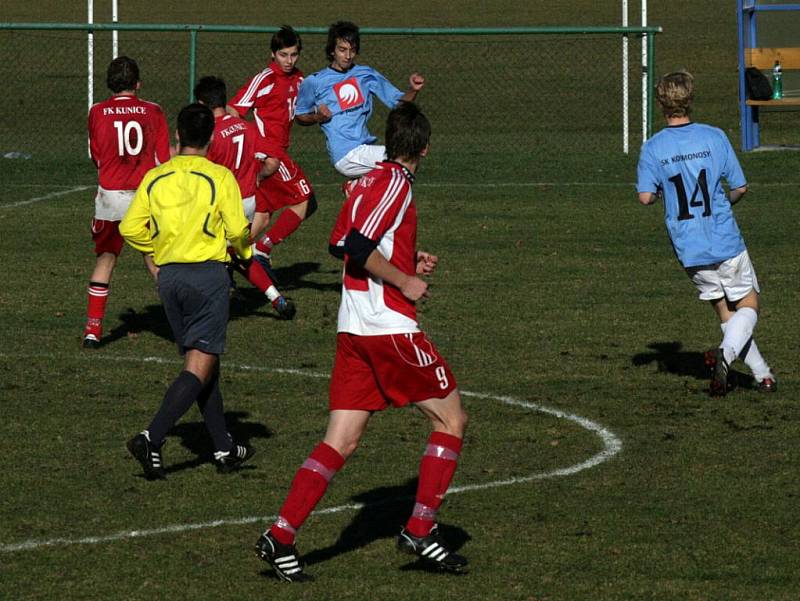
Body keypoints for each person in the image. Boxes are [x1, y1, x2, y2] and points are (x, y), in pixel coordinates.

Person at [255, 102, 468, 582]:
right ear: (426, 148)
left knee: (342, 439)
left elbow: (340, 241)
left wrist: (409, 261)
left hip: (353, 326)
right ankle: (419, 528)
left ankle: (281, 535)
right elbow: (356, 248)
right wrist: (405, 282)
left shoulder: (367, 180)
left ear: (388, 142)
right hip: (387, 326)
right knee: (451, 419)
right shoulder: (394, 184)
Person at [120, 103, 255, 479]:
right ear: (211, 139)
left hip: (171, 281)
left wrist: (153, 255)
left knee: (204, 362)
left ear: (177, 135)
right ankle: (153, 435)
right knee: (199, 363)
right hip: (207, 277)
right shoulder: (220, 177)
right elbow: (237, 231)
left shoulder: (156, 177)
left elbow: (130, 227)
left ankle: (224, 447)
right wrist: (245, 253)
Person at [636, 70, 776, 396]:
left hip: (688, 246)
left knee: (727, 313)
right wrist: (727, 202)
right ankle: (723, 355)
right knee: (749, 306)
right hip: (724, 238)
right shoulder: (714, 137)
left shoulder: (653, 147)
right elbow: (740, 186)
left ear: (661, 103)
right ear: (690, 99)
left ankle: (763, 375)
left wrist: (658, 194)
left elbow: (645, 197)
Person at [83, 56, 171, 348]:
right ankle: (180, 325)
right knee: (155, 261)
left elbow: (95, 155)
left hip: (110, 198)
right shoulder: (153, 111)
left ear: (110, 83)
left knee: (106, 260)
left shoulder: (97, 112)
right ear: (138, 84)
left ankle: (93, 331)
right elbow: (162, 160)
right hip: (144, 198)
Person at [194, 75, 295, 319]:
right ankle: (276, 298)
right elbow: (273, 160)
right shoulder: (246, 127)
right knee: (240, 253)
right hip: (248, 202)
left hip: (223, 205)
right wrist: (258, 177)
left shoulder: (211, 134)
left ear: (201, 103)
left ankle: (211, 306)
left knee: (206, 254)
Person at [294, 20, 425, 186]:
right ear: (332, 51)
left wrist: (413, 90)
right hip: (345, 153)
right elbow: (299, 116)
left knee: (377, 192)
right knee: (404, 156)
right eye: (342, 50)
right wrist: (318, 117)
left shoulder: (366, 74)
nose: (348, 56)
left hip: (363, 148)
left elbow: (399, 104)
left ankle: (357, 188)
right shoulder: (315, 81)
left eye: (352, 50)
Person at [227, 26, 315, 269]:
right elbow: (234, 109)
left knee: (262, 216)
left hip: (277, 152)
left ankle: (227, 258)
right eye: (283, 55)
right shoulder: (264, 78)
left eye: (293, 55)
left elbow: (303, 112)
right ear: (273, 54)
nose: (289, 60)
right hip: (270, 152)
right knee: (305, 199)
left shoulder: (300, 79)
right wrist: (250, 143)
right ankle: (262, 250)